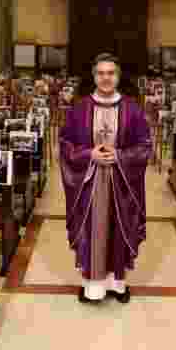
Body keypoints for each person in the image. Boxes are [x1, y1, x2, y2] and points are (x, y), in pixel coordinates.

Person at [60, 53, 152, 304]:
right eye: (101, 73)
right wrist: (89, 154)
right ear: (94, 76)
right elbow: (65, 143)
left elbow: (145, 146)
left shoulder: (132, 109)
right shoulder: (79, 109)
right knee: (93, 232)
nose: (106, 78)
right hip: (89, 183)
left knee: (118, 230)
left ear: (118, 76)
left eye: (111, 73)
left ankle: (118, 285)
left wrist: (120, 155)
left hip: (121, 183)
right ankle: (92, 287)